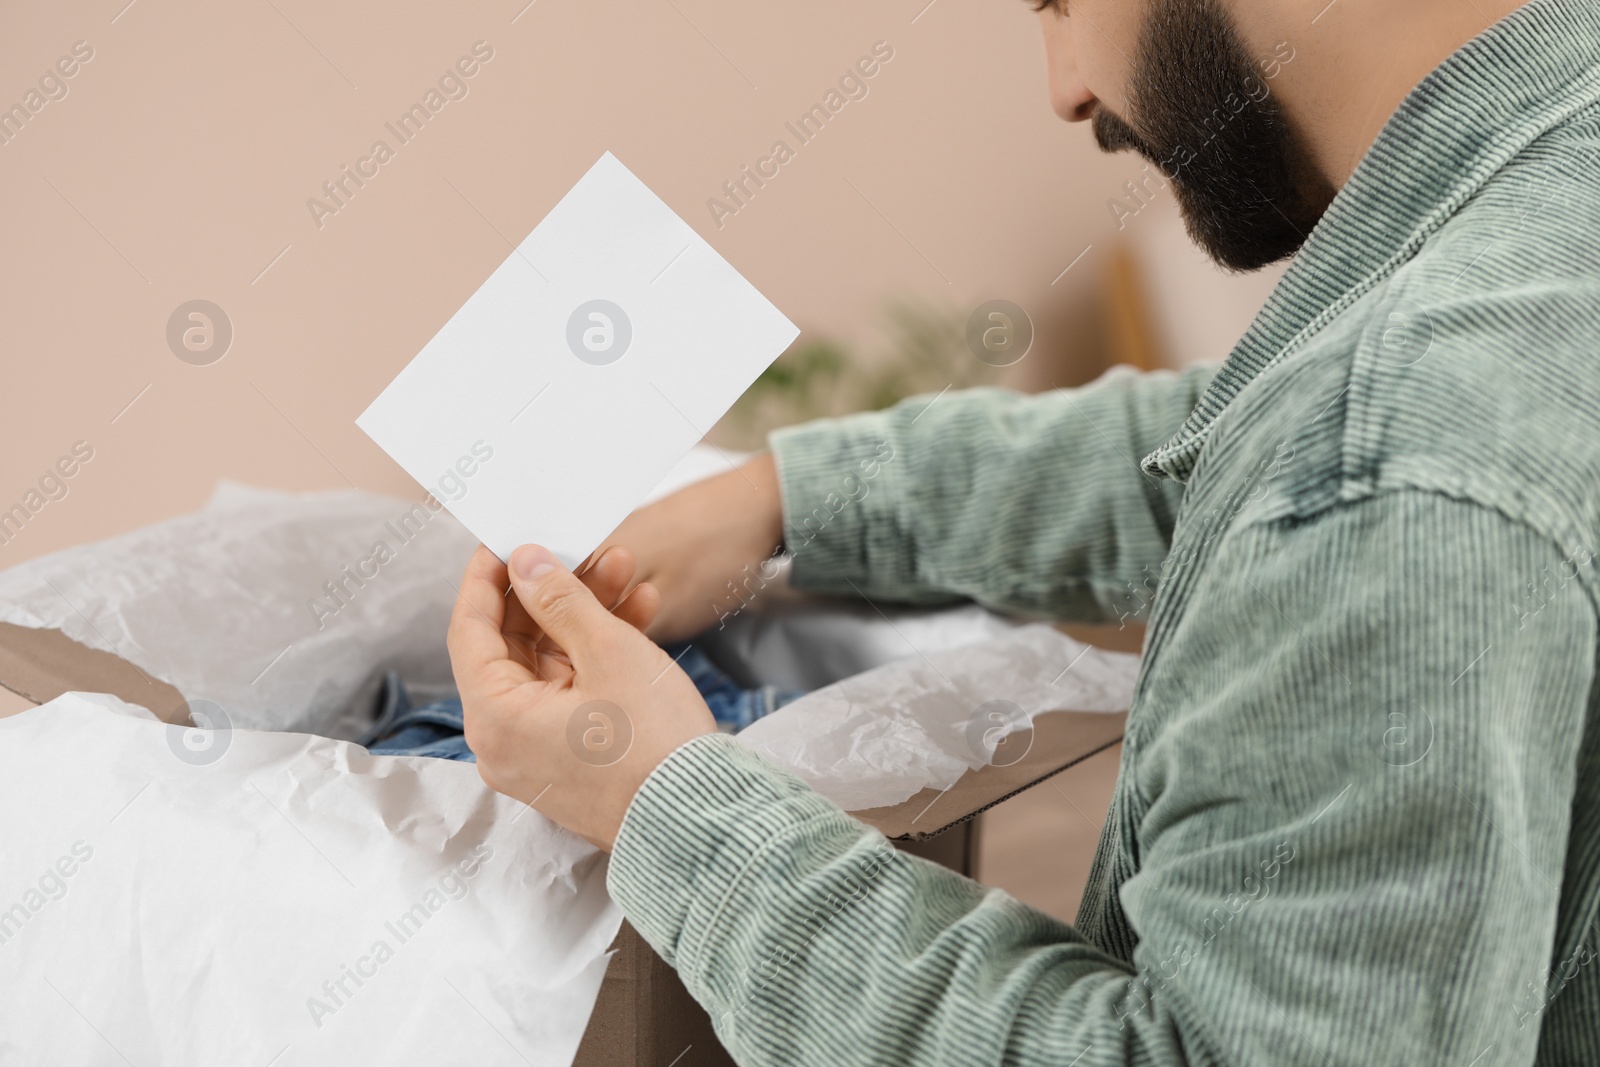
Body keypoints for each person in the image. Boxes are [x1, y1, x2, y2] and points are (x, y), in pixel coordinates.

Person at [446, 0, 1600, 1060]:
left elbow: (1344, 467)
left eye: (1056, 3)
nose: (1064, 89)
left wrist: (664, 805)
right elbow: (1246, 436)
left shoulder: (1384, 475)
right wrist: (781, 500)